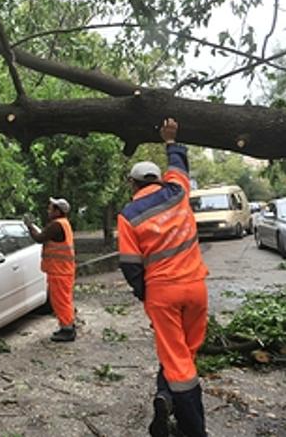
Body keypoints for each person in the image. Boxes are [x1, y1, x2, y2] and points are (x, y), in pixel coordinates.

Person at [117, 118, 208, 437]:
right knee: (187, 351)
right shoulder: (178, 192)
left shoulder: (128, 215)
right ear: (157, 178)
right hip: (196, 287)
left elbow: (130, 264)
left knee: (177, 361)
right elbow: (179, 164)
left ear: (133, 184)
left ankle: (193, 429)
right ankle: (166, 397)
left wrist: (146, 292)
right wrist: (170, 141)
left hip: (162, 294)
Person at [23, 197, 76, 342]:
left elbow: (40, 238)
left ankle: (67, 330)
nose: (48, 211)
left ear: (58, 211)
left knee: (60, 301)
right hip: (64, 269)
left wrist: (30, 226)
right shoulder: (63, 224)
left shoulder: (56, 226)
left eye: (51, 208)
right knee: (65, 299)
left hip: (59, 271)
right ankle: (68, 324)